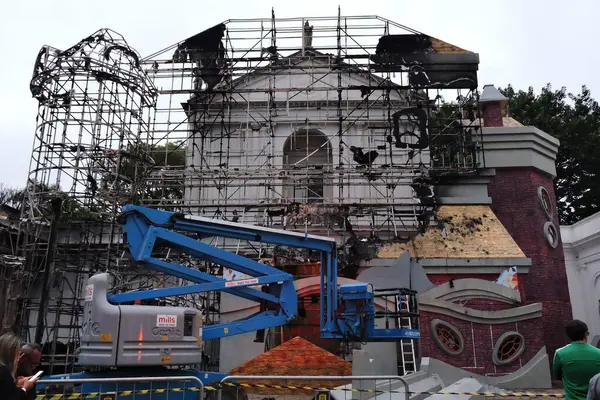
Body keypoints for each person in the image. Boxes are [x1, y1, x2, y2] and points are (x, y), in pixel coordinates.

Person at [554, 320, 600, 400]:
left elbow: (557, 376)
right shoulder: (598, 353)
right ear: (585, 334)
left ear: (568, 335)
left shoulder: (559, 353)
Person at [0, 333, 39, 400]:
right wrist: (25, 388)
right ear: (11, 353)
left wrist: (15, 384)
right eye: (18, 353)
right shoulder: (4, 371)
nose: (18, 358)